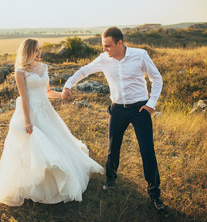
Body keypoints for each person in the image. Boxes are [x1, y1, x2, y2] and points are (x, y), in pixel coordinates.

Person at [62, 27, 166, 211]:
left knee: (147, 150)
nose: (105, 50)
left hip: (140, 109)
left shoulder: (140, 55)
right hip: (117, 109)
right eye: (103, 46)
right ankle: (110, 180)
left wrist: (151, 104)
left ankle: (154, 193)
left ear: (120, 43)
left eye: (108, 46)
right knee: (113, 147)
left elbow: (156, 78)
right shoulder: (104, 59)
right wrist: (68, 84)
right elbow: (84, 71)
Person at [0, 38, 104, 206]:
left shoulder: (44, 68)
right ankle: (33, 182)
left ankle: (57, 178)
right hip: (30, 112)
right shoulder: (20, 71)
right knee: (34, 147)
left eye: (39, 49)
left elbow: (48, 92)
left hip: (46, 110)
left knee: (55, 142)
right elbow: (24, 97)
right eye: (36, 50)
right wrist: (28, 121)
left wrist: (62, 95)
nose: (39, 53)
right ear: (28, 52)